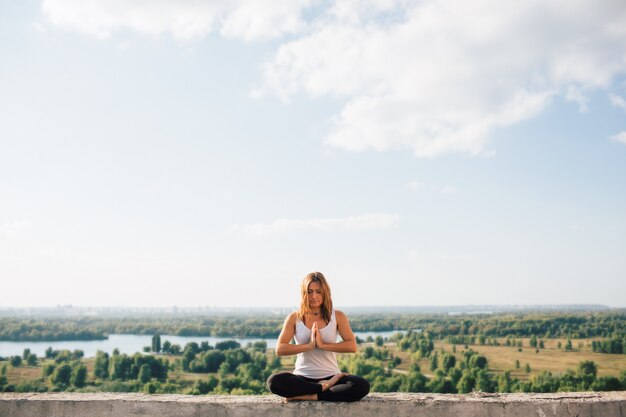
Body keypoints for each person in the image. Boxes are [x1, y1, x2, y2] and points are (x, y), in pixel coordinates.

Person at [266, 272, 370, 402]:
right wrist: (309, 346)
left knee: (361, 386)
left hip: (331, 375)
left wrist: (323, 345)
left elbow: (352, 346)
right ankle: (321, 388)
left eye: (318, 291)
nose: (313, 296)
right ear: (303, 293)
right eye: (309, 292)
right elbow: (280, 349)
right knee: (274, 381)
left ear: (325, 292)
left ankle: (312, 394)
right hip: (302, 378)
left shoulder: (337, 316)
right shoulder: (295, 317)